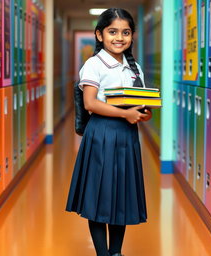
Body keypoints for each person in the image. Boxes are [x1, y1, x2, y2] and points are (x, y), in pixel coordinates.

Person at [66, 8, 152, 256]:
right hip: (101, 134)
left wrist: (144, 113)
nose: (119, 37)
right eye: (112, 31)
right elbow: (91, 103)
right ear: (99, 35)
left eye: (126, 32)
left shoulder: (134, 68)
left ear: (132, 36)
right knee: (99, 196)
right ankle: (103, 254)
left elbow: (143, 105)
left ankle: (116, 252)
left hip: (127, 136)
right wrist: (126, 114)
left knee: (121, 195)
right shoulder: (93, 64)